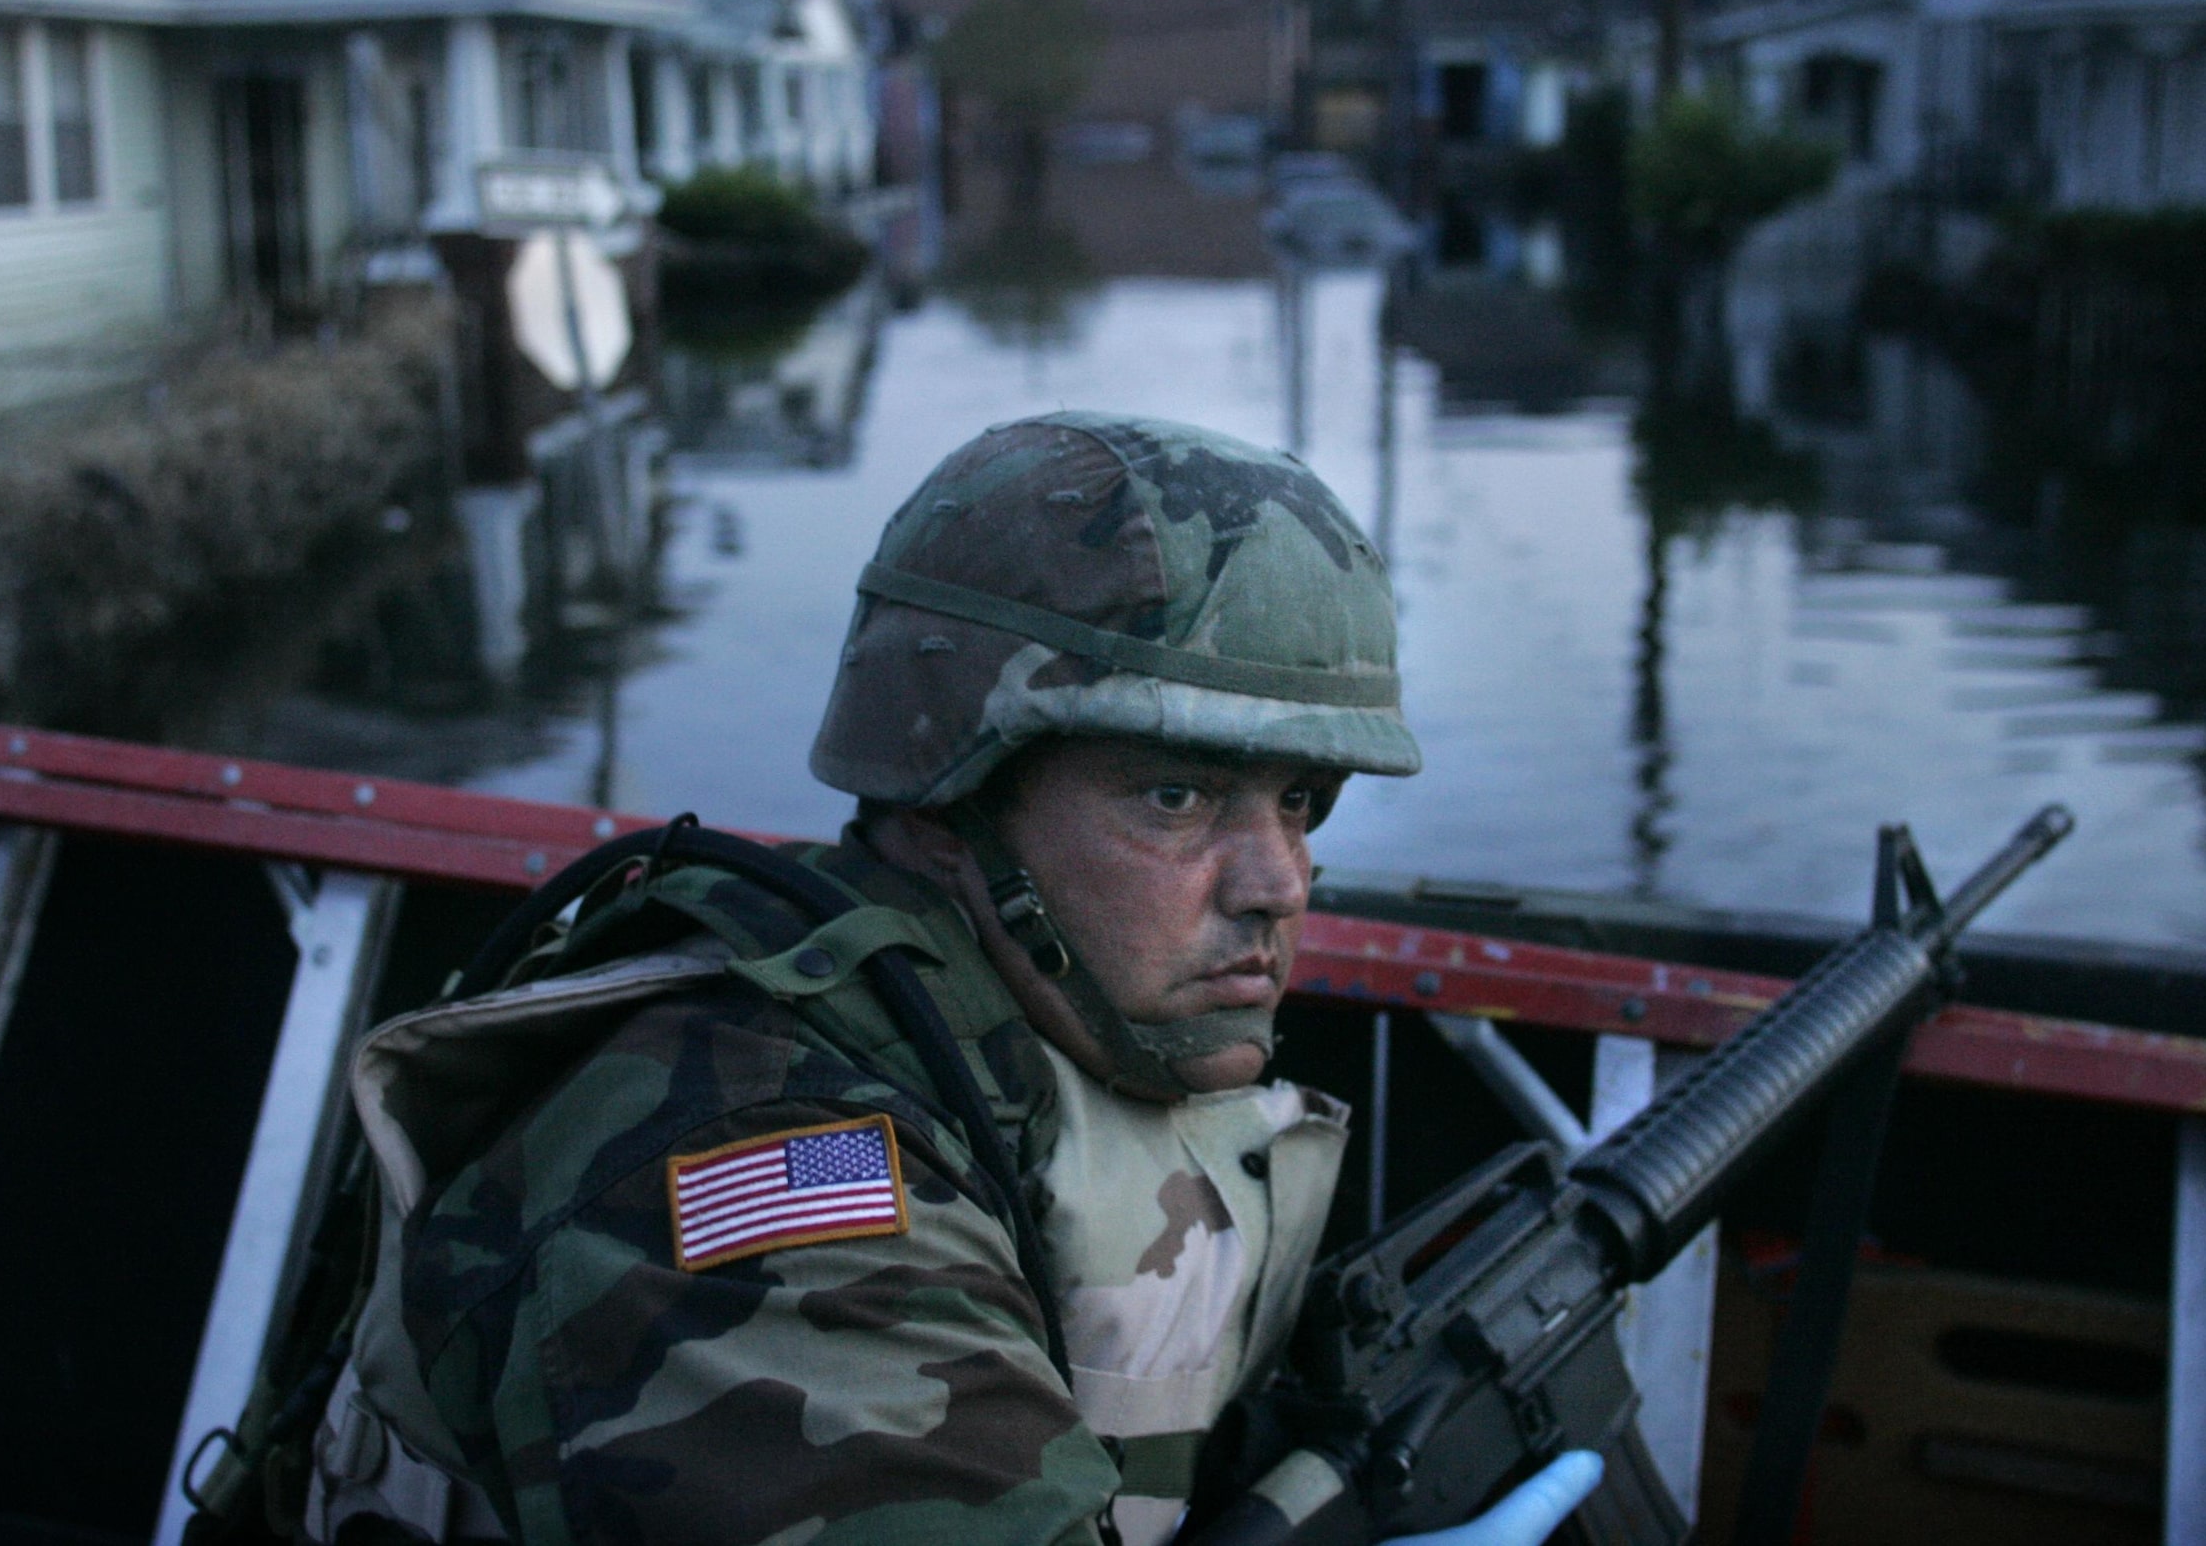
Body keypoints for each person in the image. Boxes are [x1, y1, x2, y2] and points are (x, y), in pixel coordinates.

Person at [297, 413, 1601, 1545]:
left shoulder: (1025, 1033)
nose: (1278, 883)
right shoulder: (753, 1180)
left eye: (1302, 802)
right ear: (944, 801)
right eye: (1175, 793)